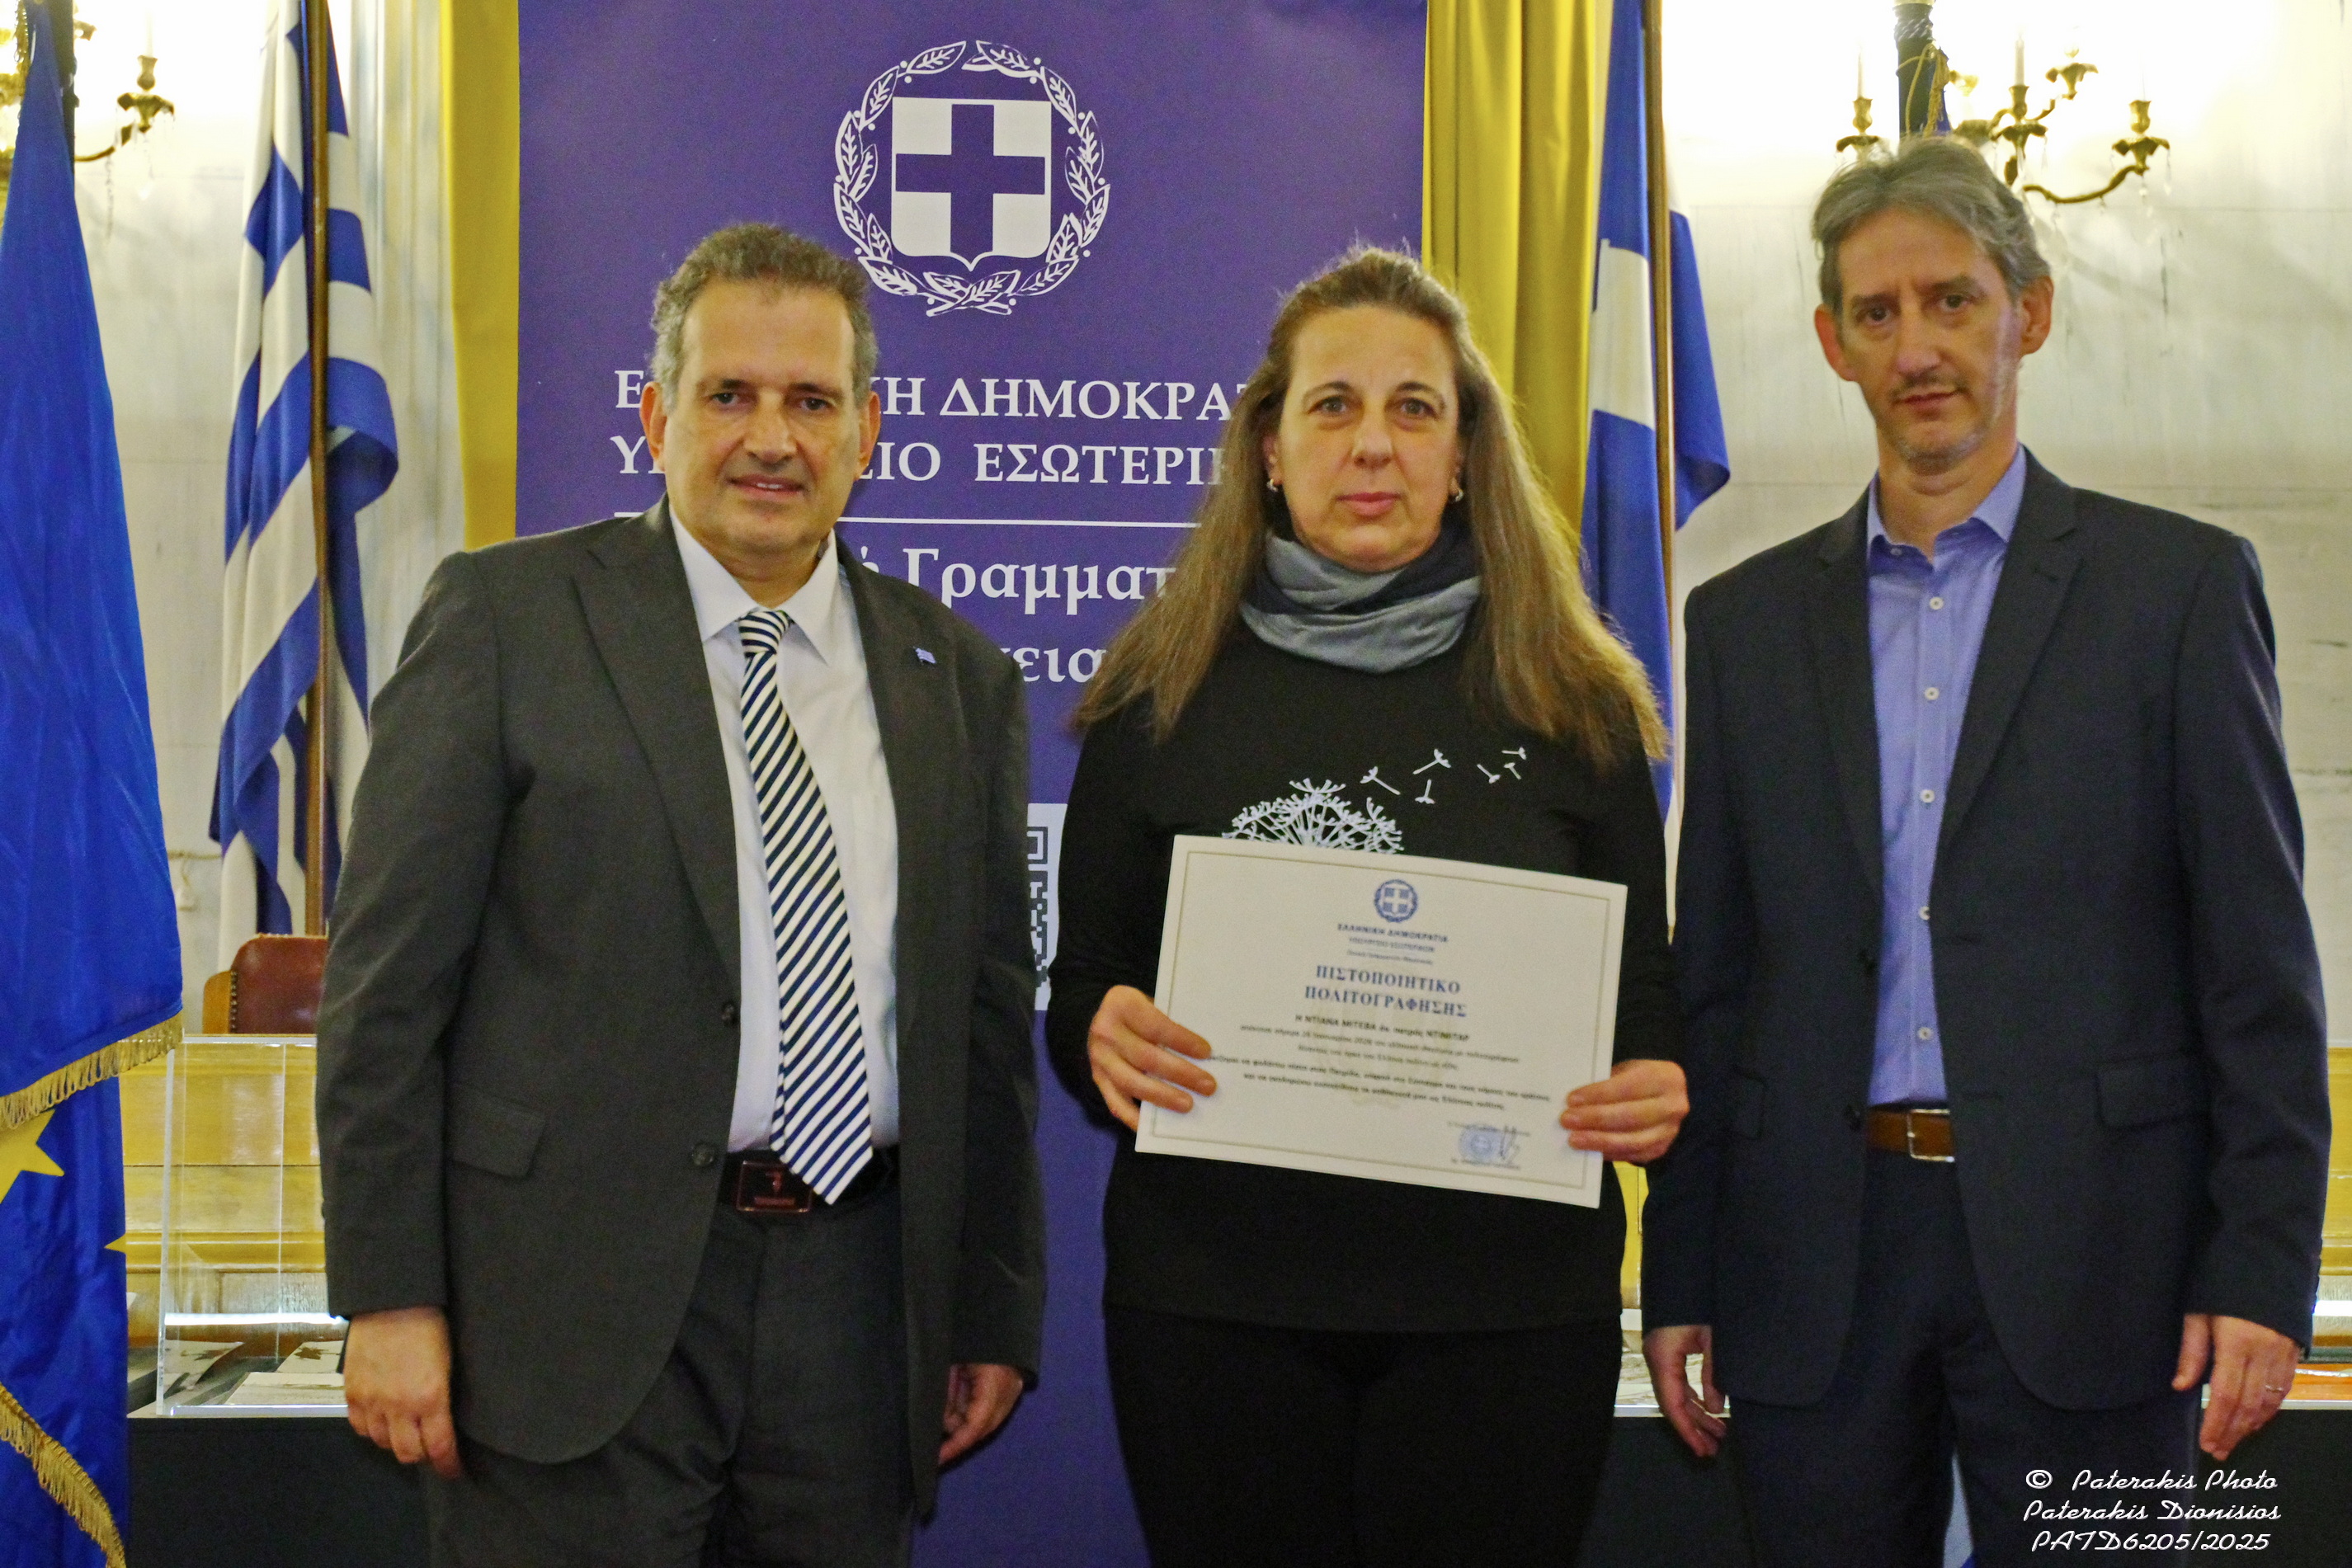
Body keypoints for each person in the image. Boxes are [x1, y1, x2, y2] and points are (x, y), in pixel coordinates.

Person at [1641, 137, 2330, 1566]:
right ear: (1832, 343)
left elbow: (2257, 962)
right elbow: (1716, 976)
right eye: (1877, 313)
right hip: (1814, 1256)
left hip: (2104, 1258)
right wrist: (1683, 1267)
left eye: (1953, 301)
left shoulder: (2181, 591)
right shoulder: (1744, 625)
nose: (1918, 348)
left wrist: (2262, 1264)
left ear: (2031, 311)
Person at [315, 224, 1044, 1568]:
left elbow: (985, 1028)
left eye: (811, 400)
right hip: (563, 1305)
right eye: (729, 395)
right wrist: (389, 1295)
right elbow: (384, 997)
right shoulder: (507, 619)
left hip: (853, 1313)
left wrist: (989, 1308)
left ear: (867, 432)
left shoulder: (960, 678)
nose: (771, 438)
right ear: (657, 419)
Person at [1045, 247, 1690, 1568]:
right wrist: (1100, 1030)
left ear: (1465, 457)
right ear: (1269, 451)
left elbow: (1645, 1005)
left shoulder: (1577, 702)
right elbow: (1083, 995)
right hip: (1217, 1313)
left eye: (1415, 408)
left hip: (1509, 1320)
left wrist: (1653, 1083)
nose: (1374, 444)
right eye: (1333, 405)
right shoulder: (1156, 693)